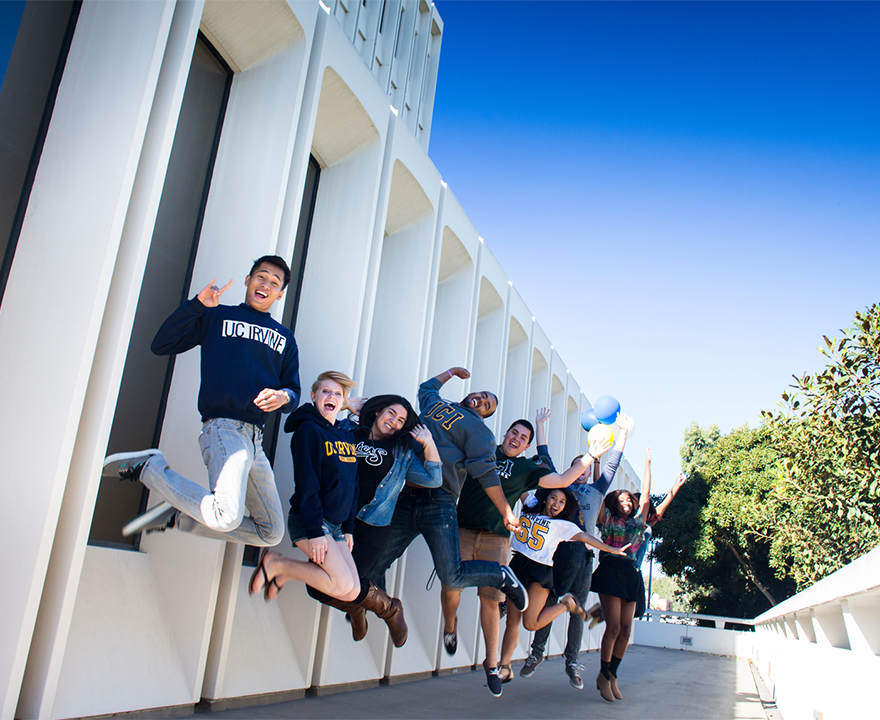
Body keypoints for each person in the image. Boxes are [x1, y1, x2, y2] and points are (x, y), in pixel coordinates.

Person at [102, 256, 300, 545]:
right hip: (224, 429)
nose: (265, 285)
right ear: (248, 280)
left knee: (271, 532)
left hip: (255, 440)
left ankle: (181, 515)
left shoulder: (285, 338)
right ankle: (150, 468)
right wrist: (196, 305)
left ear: (280, 294)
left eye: (274, 282)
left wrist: (283, 396)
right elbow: (162, 345)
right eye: (261, 276)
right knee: (226, 517)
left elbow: (293, 392)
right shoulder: (216, 317)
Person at [440, 409, 613, 696]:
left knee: (498, 605)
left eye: (523, 438)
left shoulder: (527, 475)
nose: (517, 439)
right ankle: (455, 628)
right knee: (453, 587)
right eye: (514, 433)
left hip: (506, 546)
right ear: (505, 434)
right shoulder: (487, 453)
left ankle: (495, 665)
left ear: (526, 446)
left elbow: (563, 480)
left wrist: (591, 456)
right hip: (475, 536)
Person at [265, 393, 442, 648]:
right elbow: (316, 420)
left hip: (371, 527)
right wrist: (345, 404)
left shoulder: (402, 452)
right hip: (336, 520)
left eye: (401, 420)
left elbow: (433, 479)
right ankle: (377, 607)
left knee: (337, 585)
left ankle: (377, 607)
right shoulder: (348, 430)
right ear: (378, 411)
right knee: (322, 587)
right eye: (391, 413)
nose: (394, 421)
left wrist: (428, 442)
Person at [367, 366, 530, 630]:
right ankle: (384, 609)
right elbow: (426, 389)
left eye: (487, 405)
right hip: (407, 494)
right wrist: (450, 373)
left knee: (451, 576)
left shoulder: (479, 431)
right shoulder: (438, 405)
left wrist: (506, 511)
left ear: (485, 415)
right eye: (482, 395)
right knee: (374, 562)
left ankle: (500, 574)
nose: (481, 400)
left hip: (439, 502)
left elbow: (486, 472)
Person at [521, 412, 635, 689]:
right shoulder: (561, 486)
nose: (582, 473)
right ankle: (536, 653)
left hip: (584, 557)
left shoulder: (597, 490)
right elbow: (545, 457)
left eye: (585, 469)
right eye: (577, 468)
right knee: (550, 603)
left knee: (578, 608)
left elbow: (613, 463)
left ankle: (572, 661)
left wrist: (623, 433)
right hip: (558, 555)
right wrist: (540, 426)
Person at [249, 371, 365, 613]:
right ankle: (276, 565)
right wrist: (315, 531)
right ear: (313, 396)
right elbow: (306, 483)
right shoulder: (308, 431)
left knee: (353, 591)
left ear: (343, 402)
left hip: (336, 526)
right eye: (326, 391)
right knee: (341, 583)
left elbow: (353, 485)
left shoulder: (346, 435)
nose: (331, 396)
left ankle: (283, 572)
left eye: (338, 394)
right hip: (311, 521)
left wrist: (348, 528)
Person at [497, 487, 629, 688]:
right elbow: (519, 485)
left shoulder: (563, 525)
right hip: (518, 566)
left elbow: (587, 538)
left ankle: (566, 604)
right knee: (512, 621)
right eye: (553, 498)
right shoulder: (530, 504)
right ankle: (505, 667)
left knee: (530, 623)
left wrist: (612, 549)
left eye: (562, 502)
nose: (556, 504)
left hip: (540, 571)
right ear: (545, 498)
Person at [590, 447, 652, 703]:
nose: (626, 503)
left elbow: (646, 496)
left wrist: (648, 464)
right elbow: (598, 493)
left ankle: (613, 674)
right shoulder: (607, 521)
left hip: (631, 574)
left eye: (629, 500)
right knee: (613, 627)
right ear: (614, 504)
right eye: (621, 500)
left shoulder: (638, 524)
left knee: (626, 629)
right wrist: (597, 463)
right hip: (610, 571)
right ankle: (603, 675)